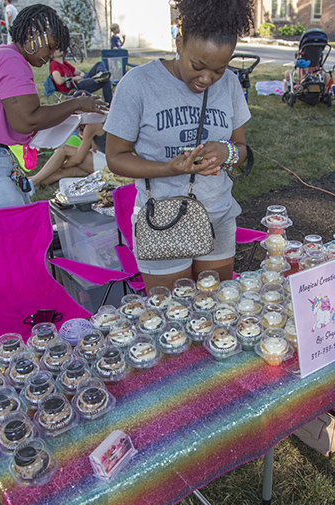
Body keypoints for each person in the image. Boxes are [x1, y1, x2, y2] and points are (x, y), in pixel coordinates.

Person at [104, 0, 255, 292]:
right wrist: (167, 168)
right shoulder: (138, 84)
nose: (206, 79)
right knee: (170, 318)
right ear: (178, 42)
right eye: (197, 66)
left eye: (219, 70)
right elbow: (115, 157)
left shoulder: (231, 85)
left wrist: (227, 153)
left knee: (216, 312)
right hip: (162, 222)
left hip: (218, 217)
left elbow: (242, 149)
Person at [0, 4, 107, 212]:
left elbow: (26, 114)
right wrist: (77, 103)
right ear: (32, 34)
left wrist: (71, 111)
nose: (50, 55)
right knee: (13, 228)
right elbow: (26, 120)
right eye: (51, 46)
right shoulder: (10, 59)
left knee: (17, 226)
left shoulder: (8, 56)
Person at [30, 121, 105, 186]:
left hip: (106, 164)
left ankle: (34, 181)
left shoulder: (93, 125)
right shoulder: (96, 123)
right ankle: (32, 182)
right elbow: (94, 149)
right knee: (63, 172)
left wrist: (61, 164)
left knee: (63, 149)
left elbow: (77, 160)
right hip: (104, 161)